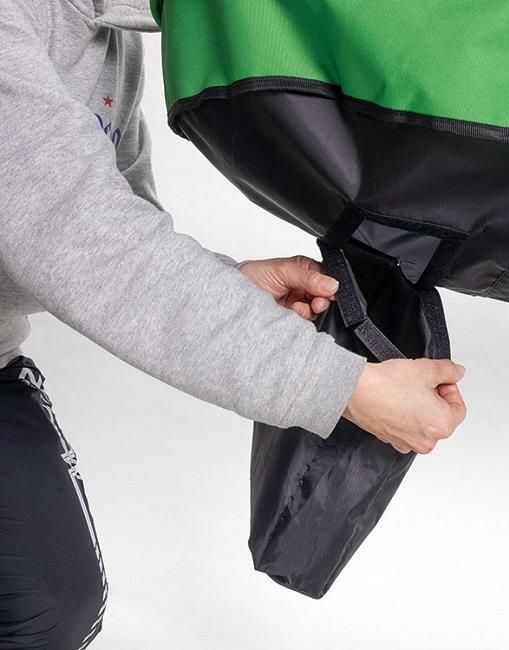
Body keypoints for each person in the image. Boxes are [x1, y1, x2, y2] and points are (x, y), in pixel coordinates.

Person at [0, 1, 467, 648]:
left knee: (49, 608)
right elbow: (79, 239)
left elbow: (108, 225)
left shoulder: (109, 30)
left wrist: (232, 283)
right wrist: (340, 387)